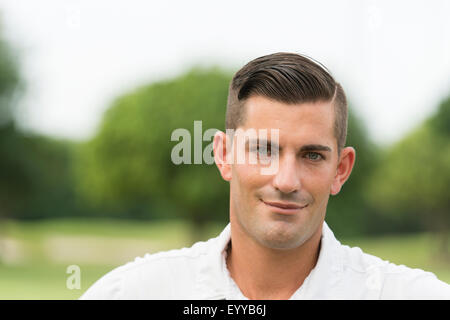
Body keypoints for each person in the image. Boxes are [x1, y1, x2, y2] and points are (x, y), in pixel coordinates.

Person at [80, 52, 450, 300]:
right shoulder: (132, 294)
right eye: (264, 150)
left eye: (312, 155)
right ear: (224, 155)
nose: (287, 180)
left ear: (341, 169)